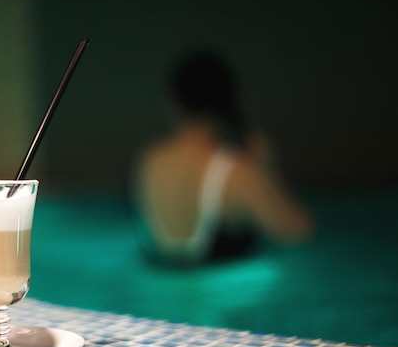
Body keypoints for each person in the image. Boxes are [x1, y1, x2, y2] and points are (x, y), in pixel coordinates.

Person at [132, 51, 313, 264]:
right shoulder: (237, 173)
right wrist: (264, 165)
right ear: (228, 102)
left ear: (173, 102)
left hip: (160, 289)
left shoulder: (149, 161)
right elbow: (297, 232)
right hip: (229, 291)